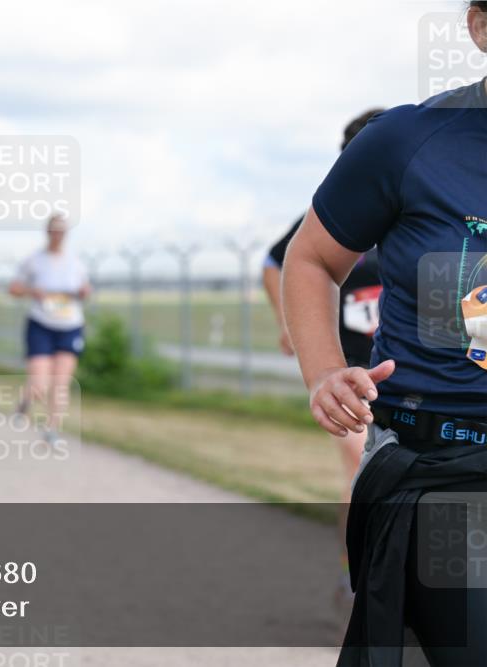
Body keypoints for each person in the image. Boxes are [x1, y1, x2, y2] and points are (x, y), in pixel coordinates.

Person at [283, 6, 486, 663]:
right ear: (479, 25)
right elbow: (310, 259)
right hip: (445, 475)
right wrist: (323, 369)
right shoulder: (409, 140)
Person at [261, 108, 384, 602]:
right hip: (349, 366)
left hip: (410, 367)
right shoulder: (335, 209)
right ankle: (352, 570)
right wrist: (289, 323)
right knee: (362, 468)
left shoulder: (420, 203)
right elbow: (279, 262)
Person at [9, 214, 90, 444]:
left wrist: (84, 292)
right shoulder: (34, 260)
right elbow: (14, 288)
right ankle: (25, 403)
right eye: (54, 230)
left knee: (61, 381)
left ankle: (52, 429)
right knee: (39, 384)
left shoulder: (76, 262)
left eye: (62, 231)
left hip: (70, 325)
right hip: (41, 325)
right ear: (47, 232)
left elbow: (85, 288)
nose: (58, 235)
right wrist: (31, 291)